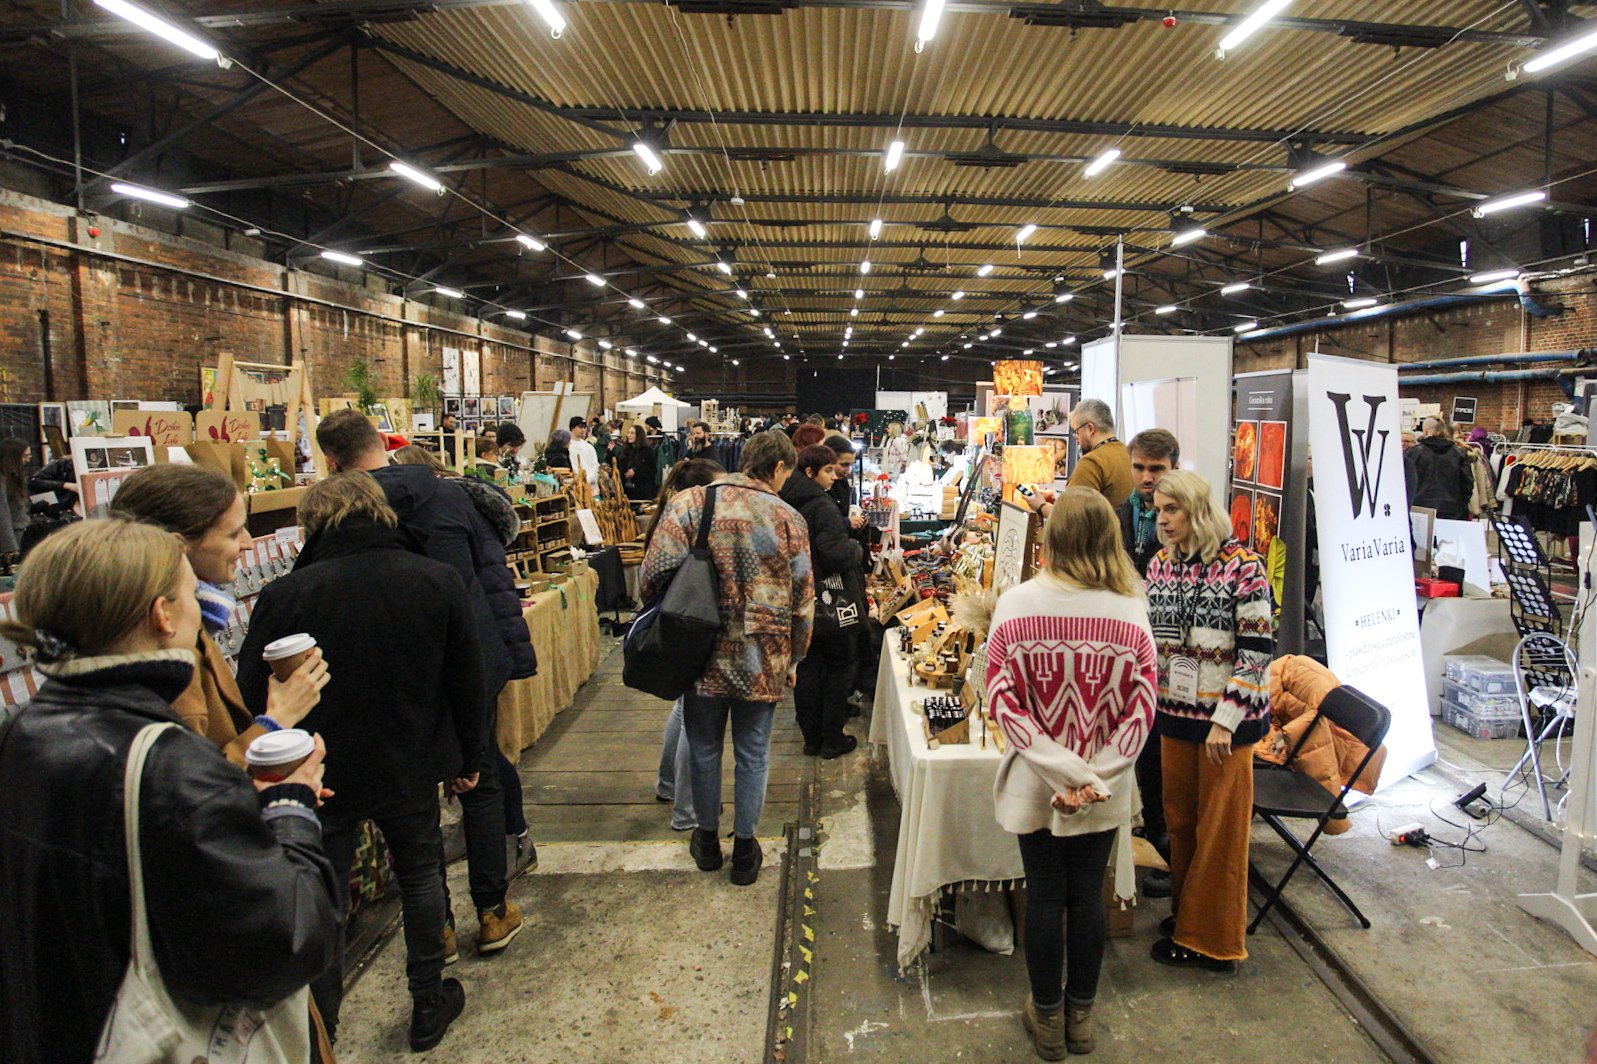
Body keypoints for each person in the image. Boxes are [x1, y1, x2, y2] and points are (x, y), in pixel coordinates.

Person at [0, 519, 341, 1064]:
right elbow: (291, 941)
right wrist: (291, 805)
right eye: (191, 595)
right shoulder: (169, 762)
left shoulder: (26, 732)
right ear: (163, 615)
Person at [237, 474, 487, 1051]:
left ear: (313, 524)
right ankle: (428, 1003)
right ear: (379, 512)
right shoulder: (434, 579)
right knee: (421, 875)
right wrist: (469, 755)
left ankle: (322, 1030)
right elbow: (467, 681)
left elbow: (251, 691)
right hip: (410, 757)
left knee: (324, 895)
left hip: (320, 771)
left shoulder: (286, 594)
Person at [316, 409, 536, 964]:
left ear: (332, 462)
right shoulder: (448, 495)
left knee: (415, 800)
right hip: (469, 656)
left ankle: (437, 928)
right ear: (384, 442)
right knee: (480, 779)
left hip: (395, 670)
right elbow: (489, 572)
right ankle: (492, 912)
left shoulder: (341, 512)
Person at [987, 488, 1157, 1059]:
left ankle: (1048, 1019)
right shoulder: (1130, 609)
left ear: (1052, 537)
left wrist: (1060, 772)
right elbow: (1142, 708)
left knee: (1043, 896)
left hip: (1036, 781)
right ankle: (1080, 1018)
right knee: (1086, 898)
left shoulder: (1017, 605)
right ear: (1110, 537)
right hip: (1104, 785)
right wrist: (1092, 776)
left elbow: (1001, 699)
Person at [640, 431, 814, 886]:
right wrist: (795, 657)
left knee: (703, 747)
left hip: (699, 649)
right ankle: (746, 850)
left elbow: (652, 572)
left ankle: (706, 839)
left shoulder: (693, 503)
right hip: (763, 652)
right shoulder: (788, 517)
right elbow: (803, 599)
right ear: (779, 467)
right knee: (753, 753)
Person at [110, 464, 330, 770]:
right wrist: (279, 717)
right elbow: (195, 781)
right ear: (177, 547)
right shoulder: (167, 650)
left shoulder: (184, 622)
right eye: (234, 533)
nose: (248, 543)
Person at [1143, 470, 1272, 973]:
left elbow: (1257, 652)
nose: (1162, 520)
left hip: (1225, 726)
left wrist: (1227, 719)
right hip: (1175, 716)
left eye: (1172, 509)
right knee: (1181, 823)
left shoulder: (1244, 567)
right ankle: (1188, 918)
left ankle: (1212, 942)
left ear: (1197, 511)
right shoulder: (1160, 565)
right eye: (1158, 510)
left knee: (1220, 833)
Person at [1112, 428, 1181, 900]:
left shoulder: (1182, 520)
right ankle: (1143, 831)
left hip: (1173, 655)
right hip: (1127, 645)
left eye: (1156, 468)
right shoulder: (1121, 514)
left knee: (1161, 752)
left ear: (1173, 467)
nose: (1146, 477)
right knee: (1138, 747)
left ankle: (1165, 842)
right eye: (1139, 467)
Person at [647, 457, 727, 831]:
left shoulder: (672, 514)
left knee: (684, 709)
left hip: (680, 620)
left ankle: (669, 786)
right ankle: (687, 810)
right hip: (691, 621)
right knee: (697, 720)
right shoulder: (690, 517)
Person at [780, 444, 865, 758]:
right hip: (831, 599)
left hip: (799, 595)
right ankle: (831, 739)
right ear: (810, 472)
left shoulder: (787, 501)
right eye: (828, 470)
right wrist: (855, 549)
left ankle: (812, 738)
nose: (835, 475)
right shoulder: (822, 505)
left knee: (808, 667)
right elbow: (835, 554)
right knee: (839, 666)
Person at [1067, 399, 1133, 508]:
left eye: (1077, 432)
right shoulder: (1131, 455)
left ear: (1090, 428)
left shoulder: (1092, 462)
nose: (1077, 440)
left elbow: (1071, 514)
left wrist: (1042, 506)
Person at [1405, 416, 1474, 521]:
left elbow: (1404, 482)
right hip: (1452, 509)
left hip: (1418, 508)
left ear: (1425, 430)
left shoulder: (1413, 453)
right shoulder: (1459, 453)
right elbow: (1467, 483)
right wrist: (1461, 504)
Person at [0, 438, 31, 565]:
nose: (28, 460)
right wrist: (10, 548)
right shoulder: (3, 480)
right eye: (25, 456)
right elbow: (3, 515)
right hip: (13, 535)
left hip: (21, 531)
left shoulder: (14, 476)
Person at [619, 423, 658, 501]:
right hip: (626, 490)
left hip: (642, 490)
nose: (629, 435)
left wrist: (636, 472)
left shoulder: (647, 451)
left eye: (632, 433)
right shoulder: (625, 450)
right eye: (628, 433)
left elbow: (652, 470)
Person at [569, 416, 601, 492]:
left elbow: (595, 465)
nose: (583, 430)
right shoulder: (568, 446)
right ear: (572, 428)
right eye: (580, 427)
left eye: (584, 427)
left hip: (591, 486)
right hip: (575, 486)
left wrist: (588, 479)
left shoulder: (589, 446)